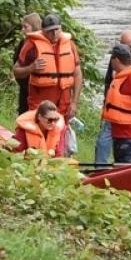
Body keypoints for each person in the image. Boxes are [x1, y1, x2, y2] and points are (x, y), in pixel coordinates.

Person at [12, 13, 81, 155]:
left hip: (64, 102)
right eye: (50, 30)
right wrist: (31, 68)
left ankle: (58, 162)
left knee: (60, 134)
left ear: (61, 29)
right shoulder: (31, 45)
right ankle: (30, 160)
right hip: (39, 103)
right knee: (35, 134)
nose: (54, 33)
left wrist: (74, 102)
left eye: (57, 29)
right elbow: (16, 71)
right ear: (43, 30)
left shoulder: (70, 45)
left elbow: (77, 73)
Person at [12, 12, 41, 114]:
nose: (22, 30)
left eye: (25, 27)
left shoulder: (45, 43)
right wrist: (30, 68)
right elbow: (15, 68)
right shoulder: (22, 44)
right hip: (25, 88)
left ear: (35, 26)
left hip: (40, 89)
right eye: (22, 27)